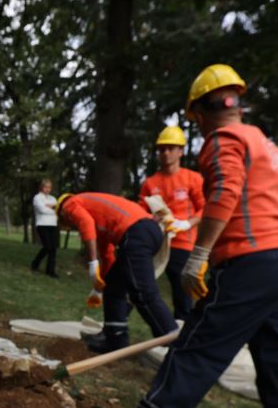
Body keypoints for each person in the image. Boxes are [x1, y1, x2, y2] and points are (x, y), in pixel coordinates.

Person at [96, 64, 278, 408]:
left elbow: (227, 192)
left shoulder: (223, 140)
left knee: (196, 347)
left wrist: (201, 255)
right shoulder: (268, 146)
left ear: (199, 113)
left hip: (249, 264)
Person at [56, 192, 178, 354]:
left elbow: (85, 222)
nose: (73, 226)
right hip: (146, 231)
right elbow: (107, 254)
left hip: (136, 233)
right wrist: (100, 285)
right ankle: (115, 339)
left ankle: (174, 342)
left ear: (63, 215)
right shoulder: (96, 214)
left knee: (143, 293)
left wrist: (92, 262)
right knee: (113, 287)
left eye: (69, 224)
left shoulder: (69, 204)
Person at [138, 126, 205, 321]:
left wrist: (186, 223)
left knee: (182, 295)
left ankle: (180, 338)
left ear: (181, 151)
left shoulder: (193, 179)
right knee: (138, 283)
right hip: (156, 243)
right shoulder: (150, 182)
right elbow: (140, 211)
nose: (166, 153)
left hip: (182, 244)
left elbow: (206, 209)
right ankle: (117, 328)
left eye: (171, 148)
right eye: (162, 149)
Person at [31, 179, 60, 278]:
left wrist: (50, 206)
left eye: (49, 187)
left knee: (53, 249)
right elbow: (42, 210)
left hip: (53, 225)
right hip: (42, 224)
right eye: (45, 187)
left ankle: (50, 271)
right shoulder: (37, 197)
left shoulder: (53, 198)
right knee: (47, 246)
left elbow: (58, 210)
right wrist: (53, 208)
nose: (47, 189)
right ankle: (35, 263)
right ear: (41, 187)